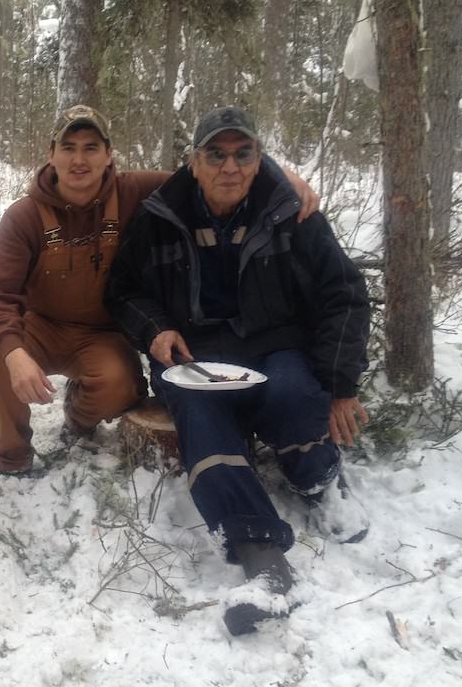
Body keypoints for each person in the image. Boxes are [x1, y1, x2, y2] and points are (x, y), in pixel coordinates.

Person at [104, 105, 371, 635]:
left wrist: (341, 387)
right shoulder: (160, 217)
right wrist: (155, 329)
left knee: (297, 394)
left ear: (259, 158)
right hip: (196, 354)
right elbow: (122, 290)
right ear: (194, 162)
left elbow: (343, 294)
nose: (231, 166)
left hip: (277, 346)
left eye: (243, 153)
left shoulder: (292, 213)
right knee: (202, 419)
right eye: (216, 155)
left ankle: (319, 480)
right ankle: (263, 560)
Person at [0, 104, 319, 476]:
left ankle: (78, 419)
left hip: (101, 334)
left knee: (120, 387)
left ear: (108, 155)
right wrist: (15, 353)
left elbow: (214, 170)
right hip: (40, 326)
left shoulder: (135, 190)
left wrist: (279, 174)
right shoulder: (24, 216)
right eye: (69, 147)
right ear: (51, 154)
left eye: (91, 147)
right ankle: (12, 458)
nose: (79, 159)